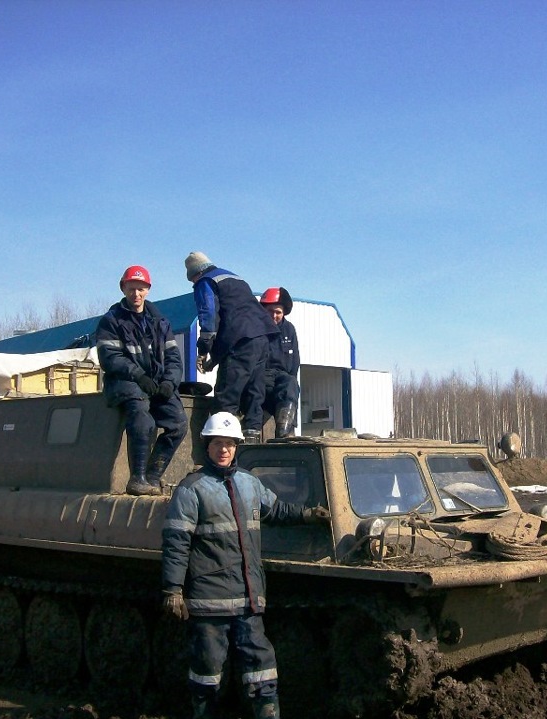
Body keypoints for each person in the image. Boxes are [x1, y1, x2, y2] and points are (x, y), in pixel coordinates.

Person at [160, 412, 329, 719]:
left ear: (237, 446)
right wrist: (172, 589)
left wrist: (307, 514)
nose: (223, 450)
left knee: (262, 666)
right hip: (210, 601)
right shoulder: (191, 489)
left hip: (248, 600)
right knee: (208, 669)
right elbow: (176, 542)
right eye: (217, 444)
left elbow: (275, 509)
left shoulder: (249, 484)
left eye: (229, 444)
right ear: (207, 447)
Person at [95, 265, 188, 497]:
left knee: (178, 424)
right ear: (123, 288)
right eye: (131, 289)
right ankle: (137, 479)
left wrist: (169, 383)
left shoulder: (160, 322)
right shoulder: (111, 321)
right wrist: (138, 375)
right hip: (125, 381)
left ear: (148, 290)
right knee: (142, 417)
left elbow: (174, 359)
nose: (136, 294)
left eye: (141, 289)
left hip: (156, 382)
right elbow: (110, 358)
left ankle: (152, 476)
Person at [184, 252, 279, 443]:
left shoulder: (205, 281)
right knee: (254, 389)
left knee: (227, 394)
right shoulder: (234, 278)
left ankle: (220, 442)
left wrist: (203, 349)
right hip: (261, 338)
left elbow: (209, 317)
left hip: (241, 340)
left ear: (195, 273)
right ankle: (252, 438)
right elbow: (237, 316)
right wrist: (215, 359)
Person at [259, 287, 300, 438]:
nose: (274, 316)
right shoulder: (255, 328)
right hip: (261, 377)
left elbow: (295, 361)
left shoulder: (289, 329)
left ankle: (284, 433)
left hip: (282, 377)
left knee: (291, 384)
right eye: (270, 311)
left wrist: (292, 381)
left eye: (278, 312)